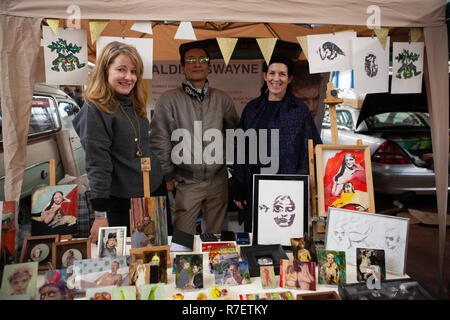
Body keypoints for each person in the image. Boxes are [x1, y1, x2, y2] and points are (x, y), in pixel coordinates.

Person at [72, 41, 167, 243]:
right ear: (105, 70)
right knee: (129, 262)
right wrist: (99, 215)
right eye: (121, 69)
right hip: (123, 202)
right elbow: (98, 165)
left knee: (158, 256)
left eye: (134, 71)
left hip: (153, 191)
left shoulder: (132, 102)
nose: (129, 77)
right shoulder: (94, 111)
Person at [149, 44, 239, 235]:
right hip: (186, 181)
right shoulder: (169, 100)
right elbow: (160, 140)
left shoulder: (222, 99)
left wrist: (232, 170)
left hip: (218, 180)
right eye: (190, 60)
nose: (196, 64)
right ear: (182, 67)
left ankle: (214, 266)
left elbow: (234, 135)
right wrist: (167, 177)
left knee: (214, 237)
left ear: (209, 66)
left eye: (202, 60)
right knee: (182, 238)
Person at [233, 55, 322, 231]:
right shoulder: (252, 109)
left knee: (285, 238)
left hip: (288, 190)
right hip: (255, 188)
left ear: (289, 79)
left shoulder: (299, 111)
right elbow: (241, 150)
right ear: (265, 76)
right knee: (256, 238)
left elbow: (310, 150)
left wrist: (300, 184)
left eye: (282, 74)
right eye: (272, 73)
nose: (276, 78)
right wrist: (239, 187)